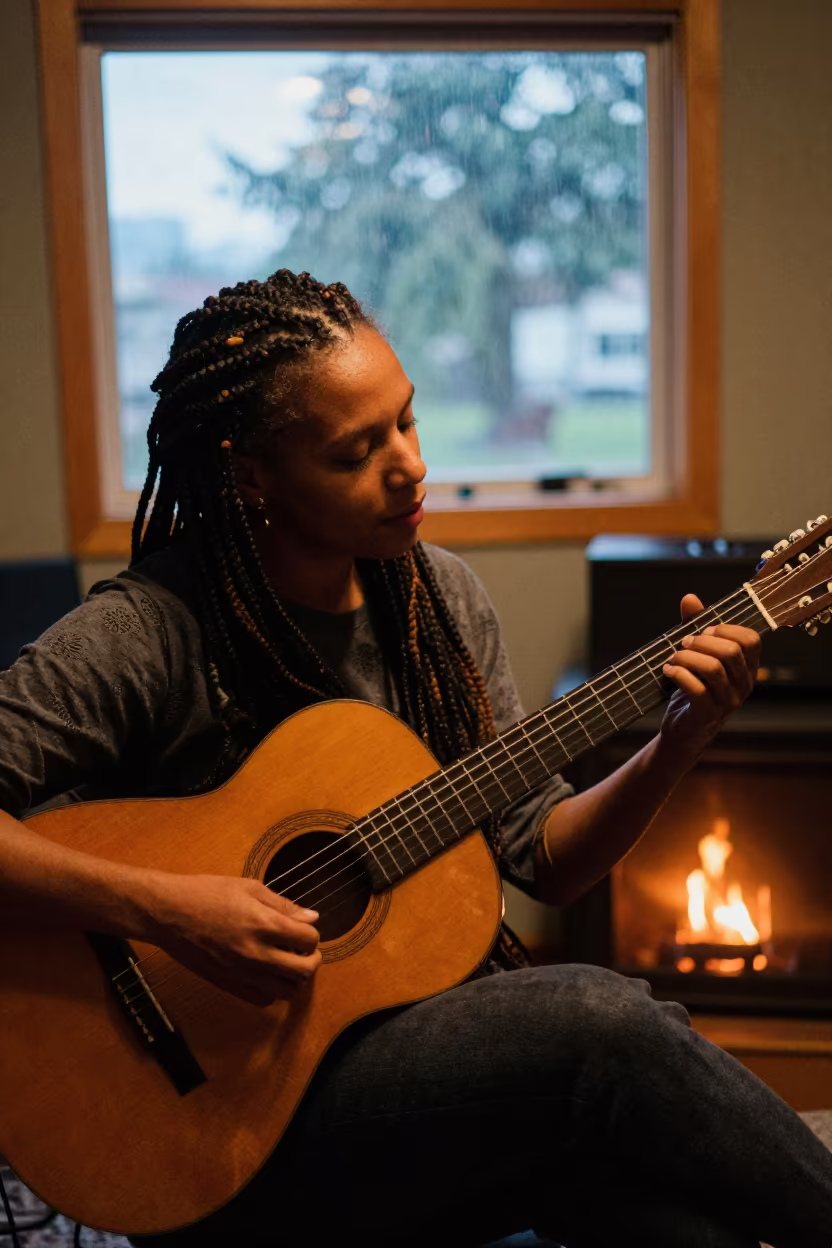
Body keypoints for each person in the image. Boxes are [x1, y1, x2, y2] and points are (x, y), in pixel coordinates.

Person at [0, 268, 830, 1248]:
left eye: (407, 421)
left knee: (667, 1214)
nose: (409, 467)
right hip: (214, 1129)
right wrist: (169, 912)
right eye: (357, 451)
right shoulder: (147, 631)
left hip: (409, 1077)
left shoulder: (440, 600)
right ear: (252, 478)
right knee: (596, 1022)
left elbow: (545, 860)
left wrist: (673, 744)